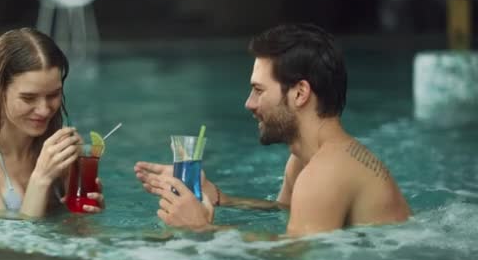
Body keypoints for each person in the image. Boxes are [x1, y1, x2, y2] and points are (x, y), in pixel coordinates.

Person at [135, 23, 411, 236]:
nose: (249, 103)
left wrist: (200, 228)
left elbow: (296, 259)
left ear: (300, 93)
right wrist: (218, 197)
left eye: (258, 90)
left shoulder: (324, 173)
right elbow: (286, 212)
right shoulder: (304, 161)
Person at [0, 27, 104, 217]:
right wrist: (41, 178)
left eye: (53, 95)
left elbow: (80, 239)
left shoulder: (60, 151)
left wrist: (86, 215)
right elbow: (1, 244)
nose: (44, 110)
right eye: (28, 98)